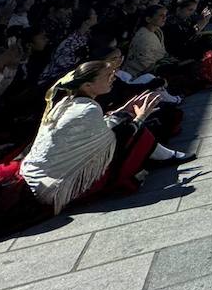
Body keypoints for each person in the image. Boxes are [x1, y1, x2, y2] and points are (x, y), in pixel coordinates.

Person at [21, 61, 191, 214]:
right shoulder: (87, 109)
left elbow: (98, 130)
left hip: (37, 178)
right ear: (88, 85)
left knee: (126, 121)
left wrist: (123, 112)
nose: (113, 78)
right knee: (135, 130)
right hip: (57, 189)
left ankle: (162, 155)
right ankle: (165, 156)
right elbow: (113, 140)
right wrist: (139, 117)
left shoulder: (66, 102)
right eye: (108, 76)